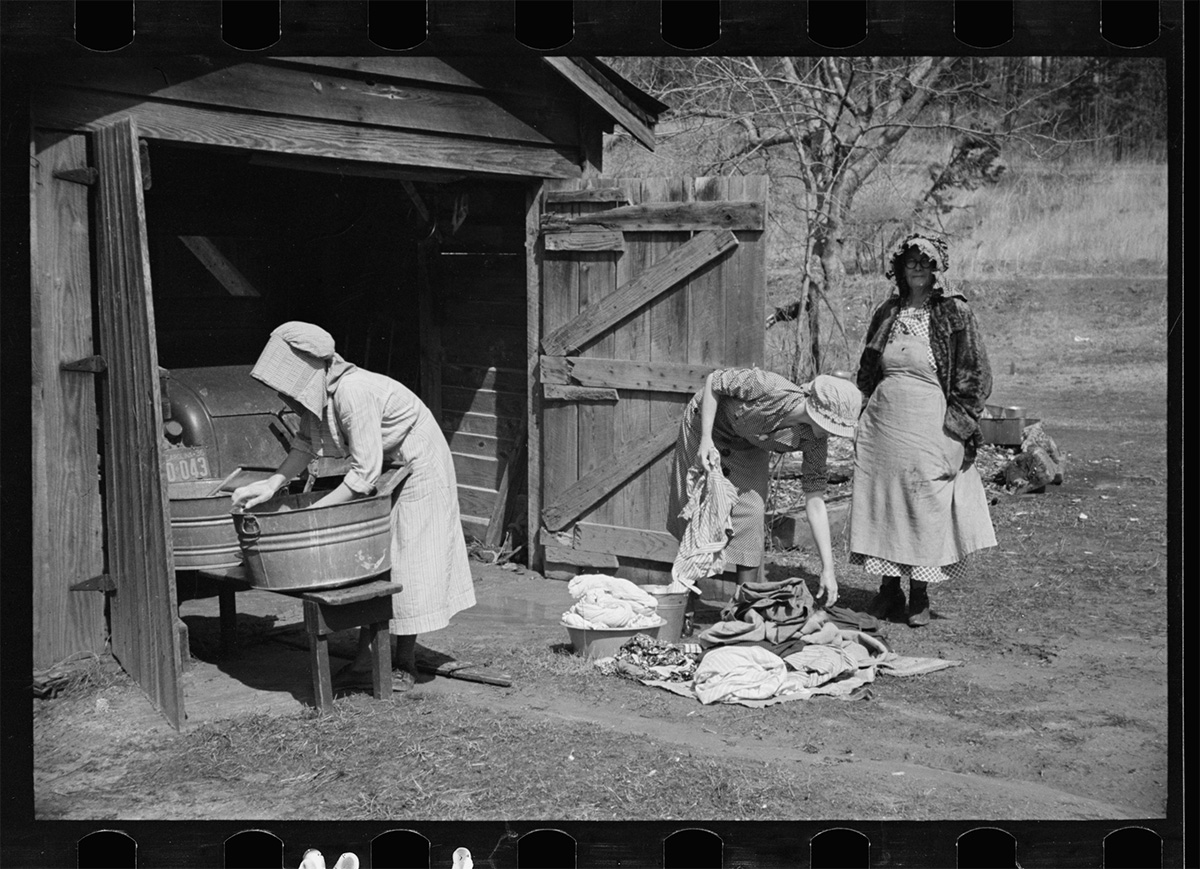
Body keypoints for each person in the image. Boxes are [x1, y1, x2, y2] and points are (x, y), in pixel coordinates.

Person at [231, 322, 476, 690]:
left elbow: (362, 475)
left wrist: (315, 517)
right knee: (376, 559)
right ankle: (367, 658)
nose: (283, 398)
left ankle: (403, 663)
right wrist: (271, 484)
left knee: (408, 559)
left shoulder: (353, 392)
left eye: (285, 387)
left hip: (420, 463)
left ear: (306, 372)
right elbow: (304, 445)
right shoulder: (320, 395)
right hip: (391, 465)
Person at [849, 233, 997, 627]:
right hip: (883, 425)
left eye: (924, 260)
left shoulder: (954, 313)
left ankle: (919, 594)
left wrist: (960, 426)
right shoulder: (887, 311)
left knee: (923, 505)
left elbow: (975, 374)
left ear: (937, 268)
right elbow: (867, 368)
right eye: (910, 260)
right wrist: (859, 413)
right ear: (899, 267)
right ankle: (887, 590)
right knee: (882, 503)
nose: (917, 266)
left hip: (930, 425)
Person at [667, 367, 862, 606]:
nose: (832, 433)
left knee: (752, 512)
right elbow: (714, 381)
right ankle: (685, 603)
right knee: (698, 511)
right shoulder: (769, 387)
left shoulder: (815, 441)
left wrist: (828, 569)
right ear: (817, 410)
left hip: (747, 446)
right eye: (832, 426)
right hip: (705, 428)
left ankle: (743, 607)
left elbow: (816, 501)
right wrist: (706, 439)